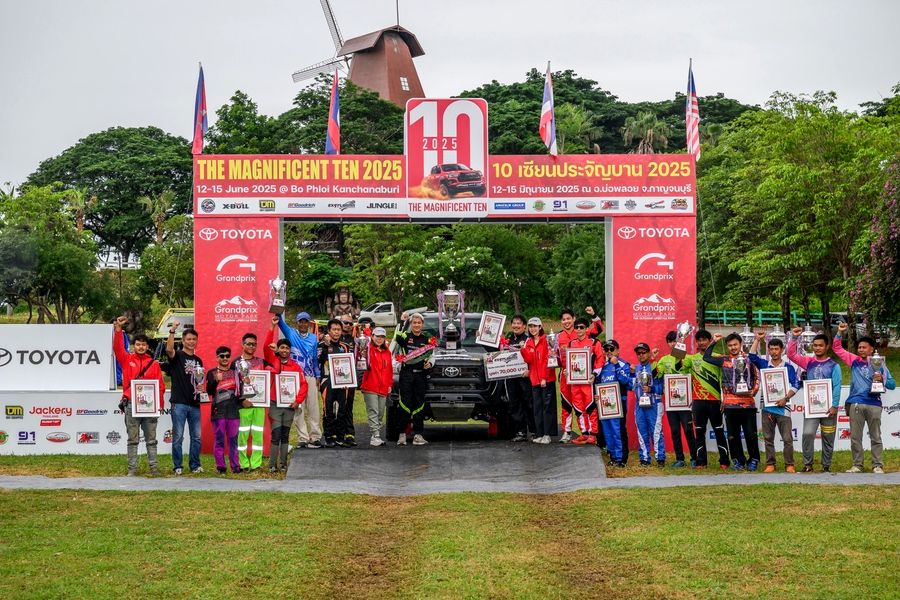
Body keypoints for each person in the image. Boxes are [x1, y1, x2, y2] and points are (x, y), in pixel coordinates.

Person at [833, 322, 896, 474]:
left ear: (871, 349)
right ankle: (857, 465)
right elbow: (837, 349)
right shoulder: (854, 360)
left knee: (876, 436)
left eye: (864, 347)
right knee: (855, 437)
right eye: (859, 347)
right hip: (856, 402)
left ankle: (877, 465)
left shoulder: (880, 364)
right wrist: (839, 333)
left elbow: (892, 385)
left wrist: (882, 379)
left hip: (874, 403)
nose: (861, 349)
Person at [113, 316, 165, 476]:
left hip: (150, 407)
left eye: (143, 344)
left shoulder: (154, 364)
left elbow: (160, 386)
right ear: (134, 346)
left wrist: (160, 405)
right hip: (131, 405)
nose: (141, 347)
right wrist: (118, 329)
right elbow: (117, 348)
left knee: (151, 440)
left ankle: (154, 468)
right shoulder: (127, 359)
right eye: (138, 344)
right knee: (133, 439)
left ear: (147, 346)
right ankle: (132, 469)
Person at [787, 327, 842, 472]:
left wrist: (834, 405)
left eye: (820, 345)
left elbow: (837, 386)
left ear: (827, 346)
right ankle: (808, 465)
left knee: (828, 437)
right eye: (815, 345)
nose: (817, 348)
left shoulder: (834, 366)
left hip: (829, 408)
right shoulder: (808, 362)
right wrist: (794, 338)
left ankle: (826, 466)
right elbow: (791, 354)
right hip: (812, 408)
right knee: (807, 433)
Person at [704, 333, 760, 471]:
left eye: (735, 344)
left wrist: (753, 391)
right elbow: (707, 357)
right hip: (730, 405)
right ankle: (738, 460)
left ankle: (753, 459)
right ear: (727, 346)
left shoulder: (749, 359)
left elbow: (757, 376)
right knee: (732, 436)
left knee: (750, 434)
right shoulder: (724, 359)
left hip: (747, 404)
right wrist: (714, 341)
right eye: (730, 345)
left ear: (741, 344)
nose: (733, 347)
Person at [749, 330, 799, 473]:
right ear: (768, 350)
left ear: (782, 350)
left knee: (787, 438)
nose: (774, 352)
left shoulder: (788, 367)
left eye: (776, 349)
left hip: (784, 408)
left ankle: (789, 464)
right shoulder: (764, 364)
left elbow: (796, 385)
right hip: (767, 407)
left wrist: (786, 398)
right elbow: (751, 356)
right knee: (768, 437)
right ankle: (770, 463)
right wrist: (757, 339)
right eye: (771, 349)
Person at [263, 317, 308, 472]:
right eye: (282, 348)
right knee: (276, 434)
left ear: (290, 351)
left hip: (289, 405)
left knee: (285, 435)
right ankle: (272, 465)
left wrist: (297, 401)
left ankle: (283, 464)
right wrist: (272, 327)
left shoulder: (295, 367)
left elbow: (304, 385)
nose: (284, 350)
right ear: (278, 349)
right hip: (275, 404)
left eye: (287, 348)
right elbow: (266, 346)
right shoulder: (272, 361)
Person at [681, 330, 729, 469]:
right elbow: (678, 363)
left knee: (719, 431)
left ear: (709, 341)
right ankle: (701, 461)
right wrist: (681, 339)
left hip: (715, 401)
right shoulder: (691, 358)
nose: (701, 342)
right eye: (699, 340)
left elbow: (724, 379)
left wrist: (724, 398)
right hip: (698, 401)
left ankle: (724, 461)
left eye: (704, 340)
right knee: (699, 432)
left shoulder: (718, 358)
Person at [556, 307, 604, 443]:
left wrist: (593, 315)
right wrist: (563, 368)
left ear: (574, 318)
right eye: (563, 319)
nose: (578, 329)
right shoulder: (560, 337)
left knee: (589, 405)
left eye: (568, 318)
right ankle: (579, 432)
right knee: (573, 405)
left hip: (587, 379)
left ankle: (593, 434)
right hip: (569, 377)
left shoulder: (591, 338)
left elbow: (599, 329)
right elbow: (559, 357)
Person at [279, 311, 323, 449]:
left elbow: (315, 359)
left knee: (313, 407)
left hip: (310, 375)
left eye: (305, 322)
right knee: (298, 407)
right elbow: (280, 321)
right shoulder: (291, 333)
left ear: (309, 323)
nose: (303, 324)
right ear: (297, 323)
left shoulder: (313, 338)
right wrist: (277, 303)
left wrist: (317, 375)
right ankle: (303, 438)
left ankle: (315, 436)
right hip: (295, 376)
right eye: (301, 321)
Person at [166, 321, 204, 475]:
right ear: (183, 341)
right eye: (188, 339)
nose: (191, 342)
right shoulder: (177, 356)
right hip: (179, 403)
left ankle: (195, 465)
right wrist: (172, 330)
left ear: (197, 341)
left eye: (194, 339)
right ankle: (178, 466)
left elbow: (199, 381)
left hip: (195, 403)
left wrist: (201, 387)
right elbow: (169, 349)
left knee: (197, 437)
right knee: (178, 437)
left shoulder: (198, 360)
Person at [655, 331, 697, 468]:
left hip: (686, 402)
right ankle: (680, 459)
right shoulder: (664, 360)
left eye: (675, 341)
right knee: (674, 431)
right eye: (670, 341)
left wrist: (680, 353)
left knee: (688, 430)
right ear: (668, 343)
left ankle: (694, 457)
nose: (673, 343)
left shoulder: (689, 358)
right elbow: (656, 375)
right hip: (671, 402)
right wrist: (652, 360)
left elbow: (682, 368)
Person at [393, 313, 436, 446]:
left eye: (419, 323)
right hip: (406, 374)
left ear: (422, 324)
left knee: (419, 404)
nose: (417, 325)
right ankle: (402, 434)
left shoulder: (427, 338)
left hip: (421, 375)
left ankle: (418, 435)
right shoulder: (405, 336)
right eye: (414, 323)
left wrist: (430, 363)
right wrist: (402, 322)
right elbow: (396, 337)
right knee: (404, 404)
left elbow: (432, 355)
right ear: (411, 324)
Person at [231, 333, 269, 470]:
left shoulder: (261, 362)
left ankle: (256, 463)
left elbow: (274, 370)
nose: (251, 346)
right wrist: (241, 401)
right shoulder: (235, 363)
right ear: (243, 344)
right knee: (242, 435)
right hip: (243, 405)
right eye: (248, 344)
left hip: (259, 404)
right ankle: (243, 463)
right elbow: (231, 385)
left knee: (258, 434)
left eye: (254, 344)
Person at [205, 346, 242, 474]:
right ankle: (221, 466)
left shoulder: (236, 373)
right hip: (218, 411)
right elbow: (209, 391)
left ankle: (235, 466)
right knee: (219, 440)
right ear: (217, 358)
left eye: (227, 356)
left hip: (233, 411)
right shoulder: (211, 373)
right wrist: (216, 380)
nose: (225, 358)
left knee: (233, 440)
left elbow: (240, 391)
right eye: (222, 356)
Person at [500, 314, 536, 442]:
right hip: (511, 378)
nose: (516, 325)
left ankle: (534, 431)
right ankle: (520, 432)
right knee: (514, 404)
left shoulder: (528, 340)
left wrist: (530, 370)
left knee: (529, 403)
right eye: (514, 323)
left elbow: (535, 358)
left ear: (524, 326)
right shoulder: (508, 339)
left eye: (518, 323)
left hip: (525, 377)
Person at [596, 339, 631, 466]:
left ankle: (621, 458)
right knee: (608, 431)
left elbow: (625, 381)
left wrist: (616, 365)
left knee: (618, 431)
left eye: (612, 349)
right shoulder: (603, 366)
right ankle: (613, 456)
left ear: (618, 350)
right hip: (605, 405)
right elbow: (598, 384)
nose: (609, 351)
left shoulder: (623, 364)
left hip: (619, 404)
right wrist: (597, 396)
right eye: (606, 349)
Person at [319, 319, 354, 447]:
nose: (336, 332)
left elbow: (348, 363)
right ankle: (329, 436)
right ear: (329, 331)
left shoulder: (345, 346)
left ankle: (340, 436)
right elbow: (319, 359)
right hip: (327, 380)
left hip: (342, 381)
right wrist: (326, 345)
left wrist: (348, 380)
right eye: (334, 329)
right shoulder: (321, 345)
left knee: (341, 409)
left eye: (338, 329)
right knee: (328, 409)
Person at [521, 317, 555, 444]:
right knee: (537, 408)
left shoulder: (547, 340)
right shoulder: (529, 341)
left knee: (547, 408)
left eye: (535, 326)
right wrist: (523, 349)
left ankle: (547, 434)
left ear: (540, 327)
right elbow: (528, 360)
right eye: (530, 326)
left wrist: (544, 377)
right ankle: (540, 434)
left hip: (547, 380)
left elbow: (549, 360)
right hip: (535, 380)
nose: (533, 329)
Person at [631, 342, 665, 466]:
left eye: (643, 352)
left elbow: (662, 387)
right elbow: (631, 385)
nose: (641, 355)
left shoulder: (655, 366)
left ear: (649, 353)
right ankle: (644, 458)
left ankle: (660, 458)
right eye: (638, 353)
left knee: (656, 432)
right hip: (640, 405)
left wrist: (651, 389)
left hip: (654, 404)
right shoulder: (636, 369)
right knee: (641, 432)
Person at [359, 327, 393, 446]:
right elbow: (362, 356)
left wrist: (389, 384)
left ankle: (376, 434)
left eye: (382, 337)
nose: (379, 339)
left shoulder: (387, 352)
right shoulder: (368, 349)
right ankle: (375, 435)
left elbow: (389, 370)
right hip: (370, 385)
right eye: (377, 336)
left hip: (383, 387)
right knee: (373, 411)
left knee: (380, 412)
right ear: (372, 337)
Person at [339, 316, 359, 446]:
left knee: (348, 406)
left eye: (350, 324)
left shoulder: (355, 340)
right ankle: (337, 433)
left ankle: (350, 434)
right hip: (336, 377)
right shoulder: (333, 338)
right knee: (336, 406)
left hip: (350, 377)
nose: (348, 325)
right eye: (345, 322)